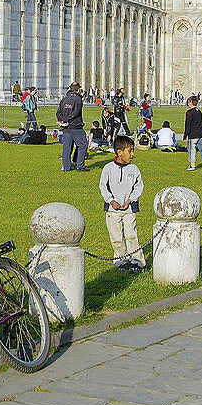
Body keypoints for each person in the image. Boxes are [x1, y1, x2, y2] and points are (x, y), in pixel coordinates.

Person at [99, 135, 146, 272]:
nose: (132, 154)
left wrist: (130, 200)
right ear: (119, 152)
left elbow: (139, 187)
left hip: (129, 210)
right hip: (113, 211)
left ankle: (137, 261)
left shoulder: (134, 169)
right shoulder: (108, 168)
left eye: (132, 151)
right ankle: (121, 261)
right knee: (116, 238)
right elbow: (103, 187)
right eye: (129, 151)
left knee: (132, 236)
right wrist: (111, 201)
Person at [56, 82, 88, 172]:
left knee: (67, 147)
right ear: (78, 90)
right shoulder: (78, 99)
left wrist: (62, 121)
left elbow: (58, 113)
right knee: (83, 145)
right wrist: (67, 121)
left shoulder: (64, 99)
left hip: (66, 128)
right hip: (75, 126)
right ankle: (80, 166)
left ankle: (66, 167)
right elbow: (75, 112)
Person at [183, 96, 202, 171]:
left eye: (189, 102)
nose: (188, 103)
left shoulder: (189, 112)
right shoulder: (199, 111)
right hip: (201, 133)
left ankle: (193, 165)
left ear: (191, 102)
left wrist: (185, 135)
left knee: (192, 150)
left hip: (193, 135)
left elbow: (187, 125)